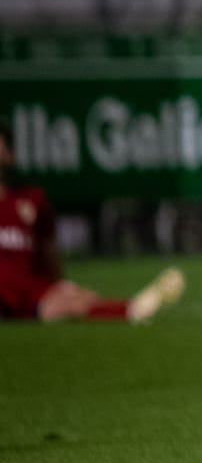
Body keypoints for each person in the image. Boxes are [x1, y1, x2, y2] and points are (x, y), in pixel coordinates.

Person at [0, 124, 186, 324]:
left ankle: (132, 308)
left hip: (27, 288)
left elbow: (47, 250)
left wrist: (57, 284)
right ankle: (131, 310)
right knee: (67, 305)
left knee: (77, 297)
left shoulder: (31, 199)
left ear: (10, 153)